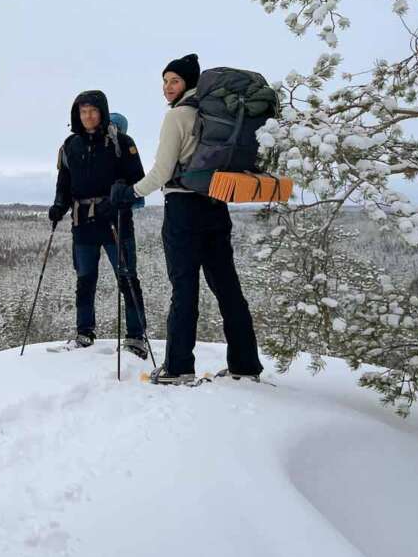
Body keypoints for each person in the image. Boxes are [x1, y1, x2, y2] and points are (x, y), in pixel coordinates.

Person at [110, 54, 265, 384]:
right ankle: (245, 364)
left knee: (184, 289)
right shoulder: (213, 115)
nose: (167, 87)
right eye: (165, 81)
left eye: (174, 81)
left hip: (182, 208)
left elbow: (163, 171)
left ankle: (179, 367)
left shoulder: (178, 116)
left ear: (189, 83)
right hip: (215, 203)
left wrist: (131, 192)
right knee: (228, 288)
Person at [48, 90, 149, 356]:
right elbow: (65, 183)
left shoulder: (121, 142)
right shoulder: (70, 146)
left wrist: (119, 196)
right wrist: (59, 204)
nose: (88, 116)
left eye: (92, 110)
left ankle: (136, 336)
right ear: (77, 114)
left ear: (102, 112)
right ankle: (84, 333)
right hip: (83, 223)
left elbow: (138, 181)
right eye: (83, 111)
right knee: (84, 279)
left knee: (127, 278)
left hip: (116, 220)